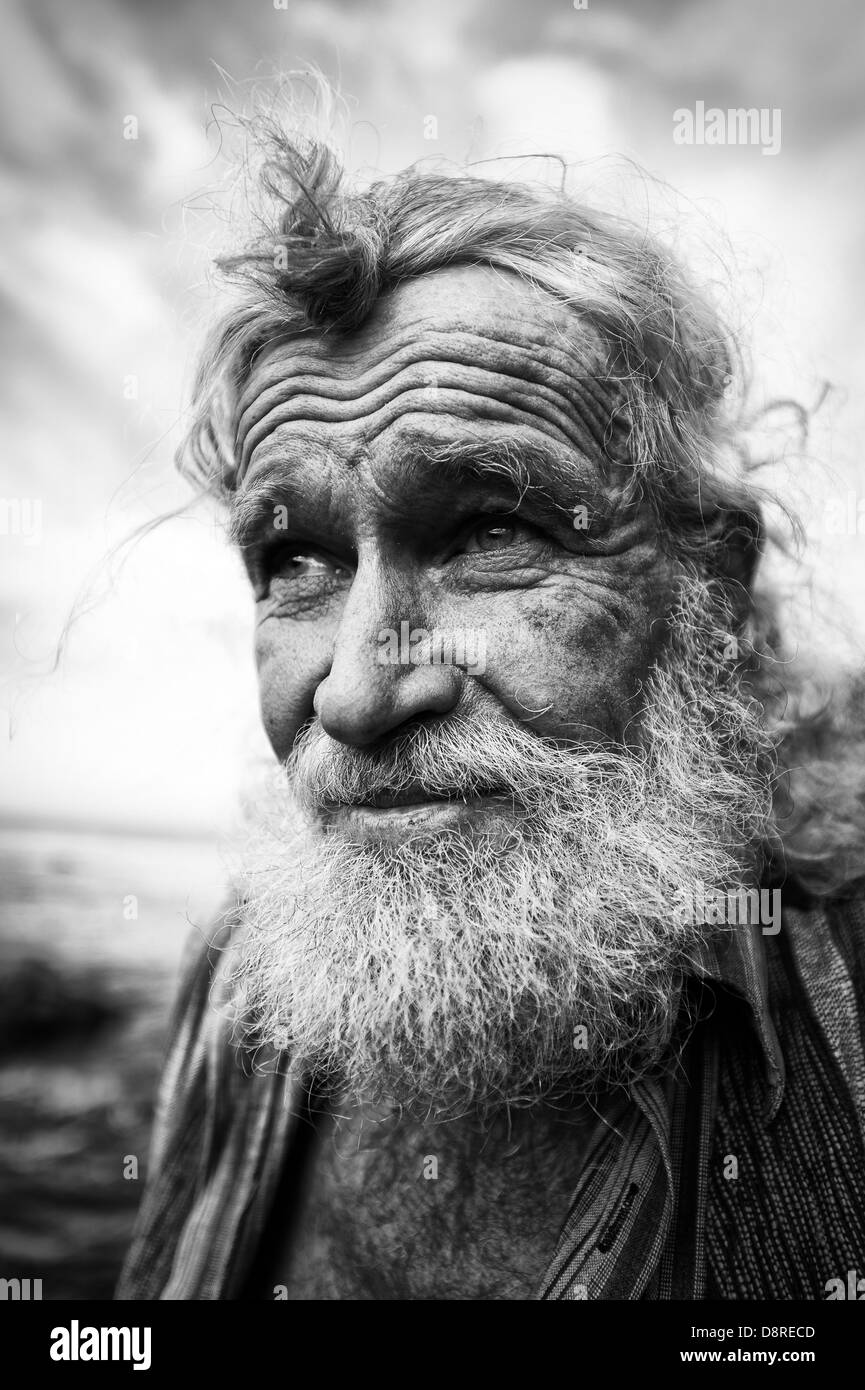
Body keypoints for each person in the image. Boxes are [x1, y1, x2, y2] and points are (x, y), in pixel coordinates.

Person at [117, 121, 865, 1301]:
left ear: (704, 591)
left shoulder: (843, 1021)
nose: (358, 693)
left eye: (489, 530)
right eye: (297, 559)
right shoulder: (241, 972)